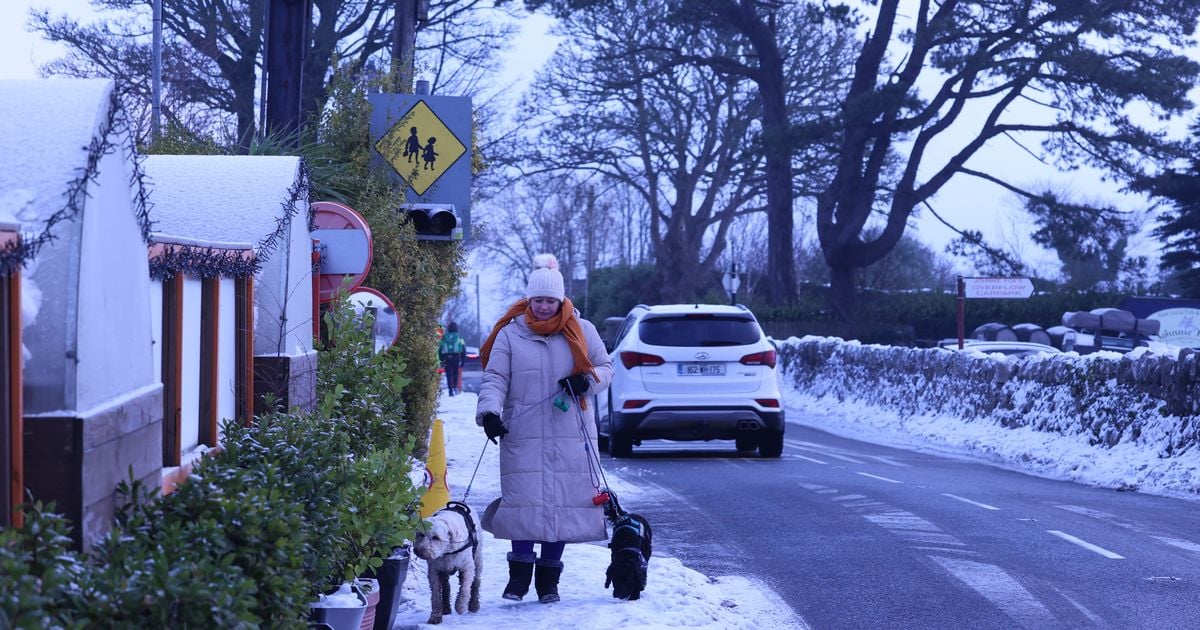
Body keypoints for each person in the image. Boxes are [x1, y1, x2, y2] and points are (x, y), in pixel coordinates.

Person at [475, 253, 614, 604]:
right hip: (522, 433)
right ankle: (518, 580)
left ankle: (549, 583)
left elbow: (605, 367)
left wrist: (587, 382)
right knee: (525, 505)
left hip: (572, 433)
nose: (543, 307)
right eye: (537, 300)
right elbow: (495, 377)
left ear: (561, 300)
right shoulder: (509, 334)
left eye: (550, 300)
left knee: (563, 506)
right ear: (528, 299)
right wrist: (490, 413)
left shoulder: (584, 331)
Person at [439, 321, 467, 396]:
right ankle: (455, 387)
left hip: (447, 357)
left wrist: (441, 360)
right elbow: (463, 348)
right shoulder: (459, 336)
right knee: (455, 373)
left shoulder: (445, 336)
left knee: (449, 374)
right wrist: (463, 360)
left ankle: (450, 390)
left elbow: (440, 348)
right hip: (456, 357)